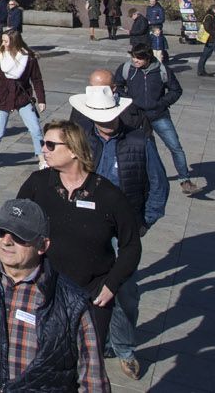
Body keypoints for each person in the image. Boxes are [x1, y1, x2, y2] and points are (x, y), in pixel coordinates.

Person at [0, 198, 111, 393]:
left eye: (19, 235)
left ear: (42, 245)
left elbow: (93, 378)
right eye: (0, 231)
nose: (6, 241)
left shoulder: (71, 301)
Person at [69, 76, 165, 380]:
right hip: (88, 227)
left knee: (126, 293)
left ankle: (123, 347)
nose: (105, 123)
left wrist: (145, 222)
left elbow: (159, 186)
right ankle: (89, 342)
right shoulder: (84, 141)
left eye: (109, 117)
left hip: (125, 232)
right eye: (99, 118)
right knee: (83, 289)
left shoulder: (140, 141)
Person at [17, 119, 141, 349]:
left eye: (51, 145)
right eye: (43, 143)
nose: (44, 149)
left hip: (91, 296)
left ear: (74, 150)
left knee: (85, 364)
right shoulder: (38, 184)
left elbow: (131, 246)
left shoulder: (108, 195)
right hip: (44, 292)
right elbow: (15, 225)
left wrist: (111, 285)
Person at [115, 41, 196, 194]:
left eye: (139, 58)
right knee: (137, 148)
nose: (135, 61)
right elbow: (117, 85)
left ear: (148, 58)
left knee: (175, 147)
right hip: (136, 117)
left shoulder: (162, 70)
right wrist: (128, 101)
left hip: (158, 115)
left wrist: (162, 103)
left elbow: (176, 90)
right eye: (133, 57)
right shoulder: (127, 68)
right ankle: (136, 178)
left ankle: (185, 180)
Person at [0, 29, 46, 171]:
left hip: (22, 97)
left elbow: (37, 79)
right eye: (3, 41)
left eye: (6, 41)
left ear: (14, 42)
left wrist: (41, 99)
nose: (3, 44)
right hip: (2, 98)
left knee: (36, 129)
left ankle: (42, 158)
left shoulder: (28, 58)